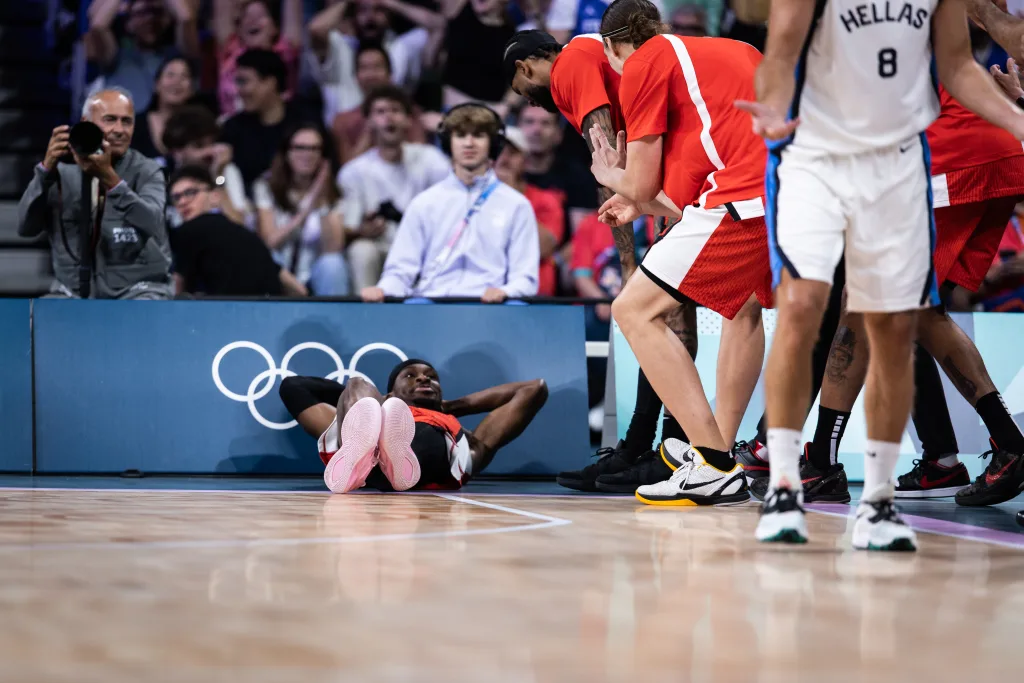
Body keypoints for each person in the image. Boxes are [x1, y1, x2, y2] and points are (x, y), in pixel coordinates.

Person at [739, 0, 1024, 549]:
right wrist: (773, 107)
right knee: (813, 308)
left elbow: (959, 64)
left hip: (917, 157)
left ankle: (868, 493)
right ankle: (786, 483)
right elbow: (778, 55)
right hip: (817, 155)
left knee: (890, 320)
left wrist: (1017, 121)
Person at [782, 72, 1024, 506]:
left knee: (858, 305)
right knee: (922, 314)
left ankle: (821, 463)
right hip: (999, 152)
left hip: (947, 159)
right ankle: (1007, 446)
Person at [587, 0, 774, 506]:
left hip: (747, 197)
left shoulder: (646, 61)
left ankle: (712, 461)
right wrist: (636, 200)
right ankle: (717, 454)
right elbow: (674, 197)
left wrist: (610, 177)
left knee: (634, 309)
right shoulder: (729, 52)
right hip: (794, 193)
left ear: (611, 47)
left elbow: (643, 177)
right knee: (744, 307)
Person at [503, 27, 697, 493]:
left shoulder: (570, 64)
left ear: (526, 67)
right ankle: (646, 448)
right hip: (670, 170)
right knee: (669, 316)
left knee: (669, 315)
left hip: (684, 169)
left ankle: (669, 452)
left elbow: (607, 149)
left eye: (522, 91)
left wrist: (631, 264)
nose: (530, 103)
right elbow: (608, 168)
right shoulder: (589, 62)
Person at [360, 103, 540, 302]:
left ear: (492, 144)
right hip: (432, 302)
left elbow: (525, 278)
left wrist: (507, 291)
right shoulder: (424, 203)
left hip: (492, 305)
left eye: (478, 136)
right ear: (449, 143)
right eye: (461, 136)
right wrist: (383, 289)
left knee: (517, 305)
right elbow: (400, 271)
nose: (469, 143)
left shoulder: (516, 205)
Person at [279, 360, 548, 493]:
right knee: (358, 384)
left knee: (431, 433)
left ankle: (387, 459)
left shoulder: (453, 429)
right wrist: (376, 401)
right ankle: (364, 451)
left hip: (427, 461)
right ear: (391, 392)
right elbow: (294, 387)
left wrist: (451, 407)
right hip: (371, 439)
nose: (424, 378)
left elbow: (534, 389)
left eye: (432, 377)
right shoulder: (373, 400)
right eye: (411, 375)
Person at [17, 88, 172, 299]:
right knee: (41, 317)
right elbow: (26, 228)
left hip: (138, 291)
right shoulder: (62, 171)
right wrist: (45, 171)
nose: (119, 130)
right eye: (110, 120)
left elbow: (152, 223)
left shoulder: (148, 170)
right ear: (85, 122)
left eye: (127, 121)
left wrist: (111, 180)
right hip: (71, 292)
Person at [338, 86, 451, 291]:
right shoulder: (353, 172)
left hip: (423, 249)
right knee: (360, 251)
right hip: (379, 247)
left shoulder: (431, 159)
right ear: (370, 122)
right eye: (380, 112)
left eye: (396, 110)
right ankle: (366, 313)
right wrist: (362, 231)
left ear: (408, 120)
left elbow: (451, 207)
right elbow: (349, 227)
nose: (389, 117)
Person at [168, 165, 306, 296]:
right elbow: (299, 290)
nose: (182, 202)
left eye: (190, 192)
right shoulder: (248, 235)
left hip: (227, 314)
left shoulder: (187, 231)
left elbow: (176, 292)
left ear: (215, 196)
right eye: (176, 197)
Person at [253, 123, 353, 295]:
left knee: (333, 264)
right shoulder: (266, 187)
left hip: (313, 274)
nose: (307, 154)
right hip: (282, 273)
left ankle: (336, 319)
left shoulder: (334, 193)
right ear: (287, 152)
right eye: (300, 148)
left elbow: (334, 247)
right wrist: (306, 210)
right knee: (270, 259)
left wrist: (322, 199)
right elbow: (270, 241)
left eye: (314, 149)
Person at [309, 0, 435, 124]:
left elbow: (436, 25)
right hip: (344, 134)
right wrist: (349, 2)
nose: (370, 17)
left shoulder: (400, 47)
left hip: (392, 130)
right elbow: (316, 29)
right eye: (363, 10)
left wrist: (391, 3)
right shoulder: (339, 47)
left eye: (378, 10)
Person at [84, 0, 200, 112]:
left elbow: (186, 19)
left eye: (156, 12)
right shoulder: (115, 56)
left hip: (169, 128)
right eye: (142, 14)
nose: (150, 19)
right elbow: (98, 26)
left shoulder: (177, 54)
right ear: (128, 24)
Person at [220, 48, 308, 191]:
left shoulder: (304, 123)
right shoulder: (232, 129)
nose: (239, 90)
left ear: (270, 83)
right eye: (238, 82)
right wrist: (219, 171)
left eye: (244, 82)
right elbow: (220, 181)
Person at [493, 126, 564, 296]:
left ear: (525, 161)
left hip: (535, 298)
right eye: (497, 152)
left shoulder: (546, 200)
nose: (504, 159)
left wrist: (510, 196)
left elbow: (543, 248)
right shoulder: (473, 199)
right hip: (487, 293)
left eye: (512, 153)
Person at [330, 44, 427, 164]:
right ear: (356, 77)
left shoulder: (411, 113)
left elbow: (421, 160)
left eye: (377, 67)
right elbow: (347, 171)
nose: (371, 75)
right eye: (364, 68)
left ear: (390, 74)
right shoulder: (342, 121)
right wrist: (370, 129)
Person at [163, 105, 250, 225]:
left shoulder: (225, 171)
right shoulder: (161, 177)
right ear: (177, 152)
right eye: (199, 146)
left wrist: (218, 176)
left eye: (212, 143)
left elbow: (238, 223)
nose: (210, 151)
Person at [213, 0, 303, 117]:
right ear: (239, 30)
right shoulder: (229, 50)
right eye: (246, 16)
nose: (252, 21)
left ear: (274, 28)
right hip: (233, 128)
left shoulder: (286, 51)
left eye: (260, 16)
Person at [439, 0, 520, 115]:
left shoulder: (512, 34)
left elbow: (522, 77)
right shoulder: (459, 12)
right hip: (452, 111)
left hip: (488, 114)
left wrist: (505, 106)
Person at [131, 56, 195, 162]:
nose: (177, 81)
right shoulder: (135, 125)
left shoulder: (200, 125)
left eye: (184, 76)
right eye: (170, 75)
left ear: (192, 89)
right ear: (157, 85)